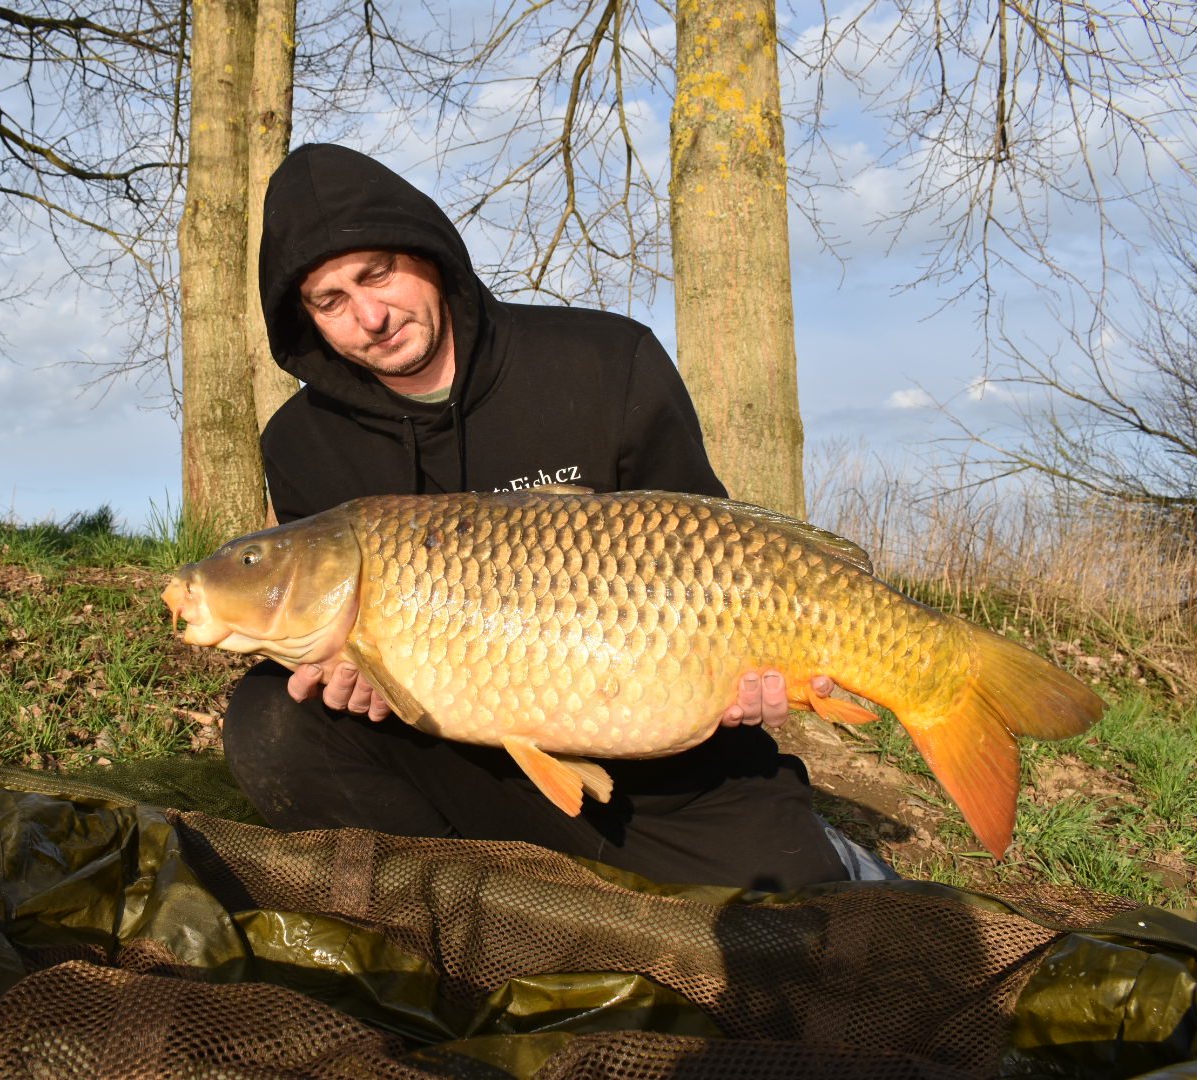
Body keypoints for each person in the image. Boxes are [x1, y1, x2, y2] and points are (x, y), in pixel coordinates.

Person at [221, 142, 889, 890]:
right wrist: (351, 676)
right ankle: (469, 904)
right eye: (331, 301)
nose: (370, 317)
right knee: (270, 720)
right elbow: (330, 637)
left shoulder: (606, 362)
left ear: (428, 253)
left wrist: (746, 675)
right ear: (304, 319)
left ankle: (832, 860)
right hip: (459, 759)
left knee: (795, 939)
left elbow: (724, 556)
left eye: (378, 274)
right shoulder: (301, 443)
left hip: (667, 771)